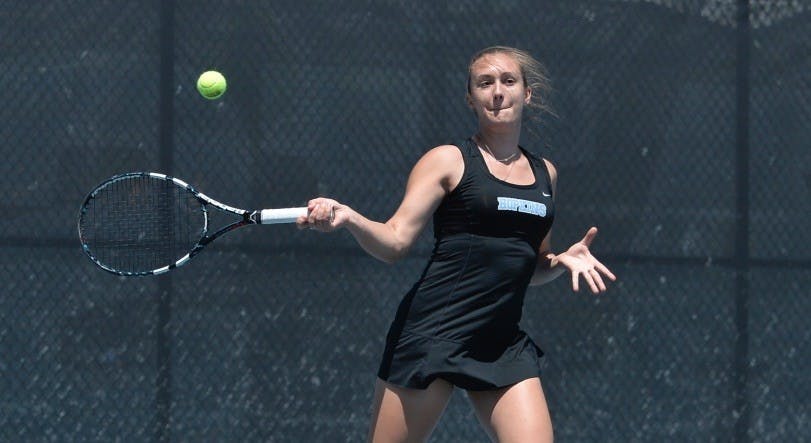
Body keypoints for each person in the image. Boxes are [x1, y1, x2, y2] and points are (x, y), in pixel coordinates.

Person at [297, 46, 616, 443]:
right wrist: (351, 219)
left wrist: (560, 260)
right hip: (433, 334)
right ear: (471, 99)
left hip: (500, 342)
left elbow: (530, 266)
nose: (497, 91)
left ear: (527, 93)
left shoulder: (545, 173)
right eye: (485, 83)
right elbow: (396, 242)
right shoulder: (448, 160)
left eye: (508, 81)